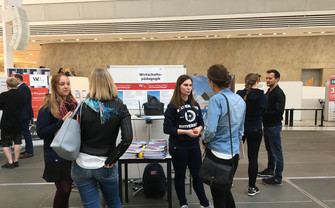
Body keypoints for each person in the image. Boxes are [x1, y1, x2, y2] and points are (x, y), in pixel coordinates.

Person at [71, 68, 132, 208]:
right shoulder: (120, 108)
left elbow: (72, 135)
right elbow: (127, 139)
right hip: (106, 164)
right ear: (110, 82)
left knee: (91, 205)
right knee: (114, 203)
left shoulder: (82, 107)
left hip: (81, 164)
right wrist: (112, 158)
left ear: (91, 84)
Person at [164, 75, 213, 208]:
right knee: (180, 176)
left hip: (193, 147)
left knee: (197, 176)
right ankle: (183, 203)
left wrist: (199, 128)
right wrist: (186, 132)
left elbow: (201, 122)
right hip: (178, 147)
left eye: (190, 85)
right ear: (179, 86)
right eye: (185, 85)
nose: (188, 88)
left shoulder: (195, 104)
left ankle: (204, 203)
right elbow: (167, 128)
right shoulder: (172, 106)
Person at [203, 64, 246, 208]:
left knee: (218, 195)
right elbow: (241, 130)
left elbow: (210, 130)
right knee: (225, 190)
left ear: (211, 82)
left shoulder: (216, 100)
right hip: (234, 154)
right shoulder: (240, 100)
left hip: (217, 153)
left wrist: (205, 140)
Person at [36, 74, 77, 208]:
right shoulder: (47, 107)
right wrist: (61, 123)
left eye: (67, 83)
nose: (66, 86)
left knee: (67, 189)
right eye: (62, 84)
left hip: (72, 152)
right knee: (64, 189)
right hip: (55, 154)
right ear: (55, 86)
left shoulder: (74, 105)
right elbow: (41, 132)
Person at [236, 73, 268, 196]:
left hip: (241, 129)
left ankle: (228, 182)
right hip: (255, 129)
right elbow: (264, 111)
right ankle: (251, 187)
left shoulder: (240, 93)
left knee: (234, 156)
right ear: (258, 81)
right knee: (253, 158)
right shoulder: (263, 96)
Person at [258, 69, 286, 185]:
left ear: (277, 79)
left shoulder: (279, 93)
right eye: (267, 78)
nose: (267, 80)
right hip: (267, 126)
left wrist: (262, 113)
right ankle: (270, 169)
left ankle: (277, 177)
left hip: (274, 126)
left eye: (270, 78)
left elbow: (278, 112)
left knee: (276, 152)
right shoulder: (268, 91)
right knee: (269, 149)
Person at [0, 77, 25, 168]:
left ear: (7, 85)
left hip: (7, 122)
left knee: (6, 142)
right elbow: (23, 106)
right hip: (18, 121)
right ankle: (16, 161)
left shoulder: (3, 95)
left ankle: (10, 162)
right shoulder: (21, 95)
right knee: (18, 141)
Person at [14, 74, 34, 159]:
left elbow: (23, 101)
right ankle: (28, 149)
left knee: (26, 133)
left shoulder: (24, 88)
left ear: (18, 79)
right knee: (25, 133)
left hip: (24, 114)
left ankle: (29, 151)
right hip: (23, 114)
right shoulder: (22, 88)